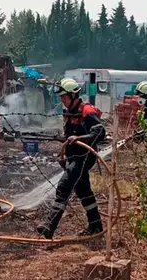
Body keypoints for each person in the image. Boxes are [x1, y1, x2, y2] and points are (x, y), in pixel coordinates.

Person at [36, 78, 106, 239]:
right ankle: (95, 225)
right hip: (73, 156)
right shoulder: (68, 112)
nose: (62, 100)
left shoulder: (87, 111)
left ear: (74, 95)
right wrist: (65, 147)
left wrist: (79, 138)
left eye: (64, 97)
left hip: (84, 157)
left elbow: (100, 132)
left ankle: (49, 225)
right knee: (84, 191)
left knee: (64, 186)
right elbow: (69, 135)